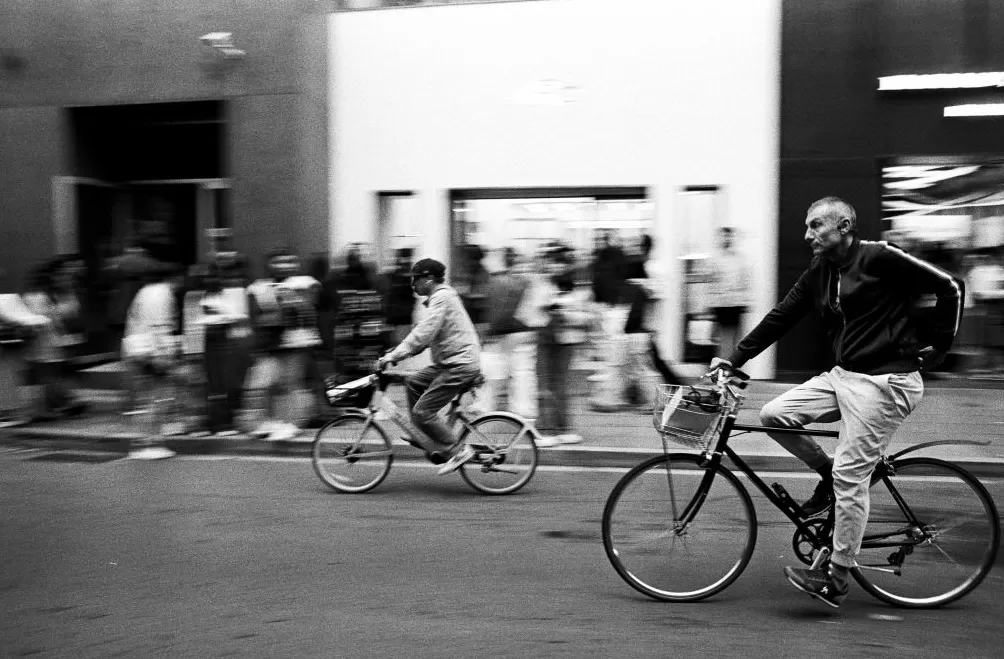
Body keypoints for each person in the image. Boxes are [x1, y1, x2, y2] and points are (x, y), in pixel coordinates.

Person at [709, 196, 962, 608]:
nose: (807, 234)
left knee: (852, 477)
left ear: (844, 226)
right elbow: (783, 315)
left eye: (815, 226)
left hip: (886, 382)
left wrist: (940, 348)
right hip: (844, 376)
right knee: (775, 415)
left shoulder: (879, 257)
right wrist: (735, 359)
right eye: (807, 227)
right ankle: (827, 475)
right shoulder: (821, 270)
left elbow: (948, 286)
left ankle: (836, 578)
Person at [377, 258, 482, 475]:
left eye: (415, 279)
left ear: (429, 279)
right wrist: (396, 355)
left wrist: (395, 354)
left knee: (423, 411)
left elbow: (425, 332)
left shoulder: (442, 297)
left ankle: (457, 449)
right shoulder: (439, 298)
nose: (412, 284)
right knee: (414, 382)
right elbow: (424, 338)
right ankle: (425, 435)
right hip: (450, 362)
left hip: (459, 364)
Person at [244, 249, 322, 442]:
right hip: (273, 343)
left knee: (291, 383)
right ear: (269, 265)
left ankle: (292, 424)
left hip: (296, 342)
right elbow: (258, 315)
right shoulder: (261, 287)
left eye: (288, 262)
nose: (283, 266)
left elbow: (306, 308)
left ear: (295, 265)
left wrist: (283, 304)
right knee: (266, 385)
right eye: (277, 262)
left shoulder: (304, 284)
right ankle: (271, 421)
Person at [709, 227, 752, 354]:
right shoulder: (714, 260)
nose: (726, 239)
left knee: (735, 338)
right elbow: (711, 284)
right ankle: (723, 368)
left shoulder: (740, 259)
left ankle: (729, 368)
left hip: (735, 304)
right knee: (723, 339)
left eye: (728, 236)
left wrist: (745, 300)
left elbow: (745, 282)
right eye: (723, 236)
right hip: (721, 304)